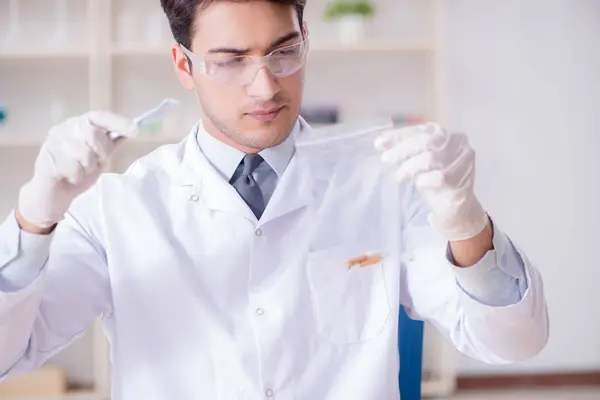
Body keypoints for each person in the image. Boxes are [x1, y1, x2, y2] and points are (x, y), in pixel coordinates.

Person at [0, 0, 548, 399]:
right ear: (184, 65)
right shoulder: (117, 208)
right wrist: (34, 217)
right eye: (231, 60)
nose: (266, 87)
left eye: (283, 52)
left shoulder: (385, 185)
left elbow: (513, 341)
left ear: (305, 37)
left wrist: (466, 221)